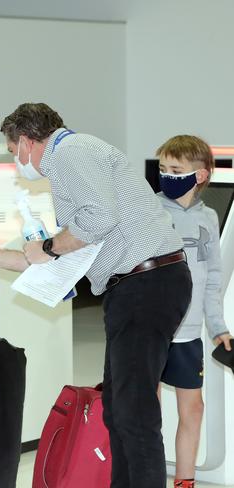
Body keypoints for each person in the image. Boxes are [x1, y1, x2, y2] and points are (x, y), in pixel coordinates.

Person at [0, 103, 192, 488]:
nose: (16, 162)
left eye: (10, 151)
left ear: (25, 142)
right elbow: (71, 254)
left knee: (133, 412)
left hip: (147, 283)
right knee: (118, 410)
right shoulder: (72, 161)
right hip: (137, 286)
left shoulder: (70, 151)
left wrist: (52, 246)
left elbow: (97, 219)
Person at [155, 135, 232, 488]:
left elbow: (214, 275)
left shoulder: (209, 217)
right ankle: (147, 475)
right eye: (162, 169)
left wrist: (217, 325)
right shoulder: (148, 210)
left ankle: (184, 481)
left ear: (200, 176)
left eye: (175, 170)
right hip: (150, 330)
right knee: (146, 412)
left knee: (193, 409)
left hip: (188, 334)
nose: (167, 176)